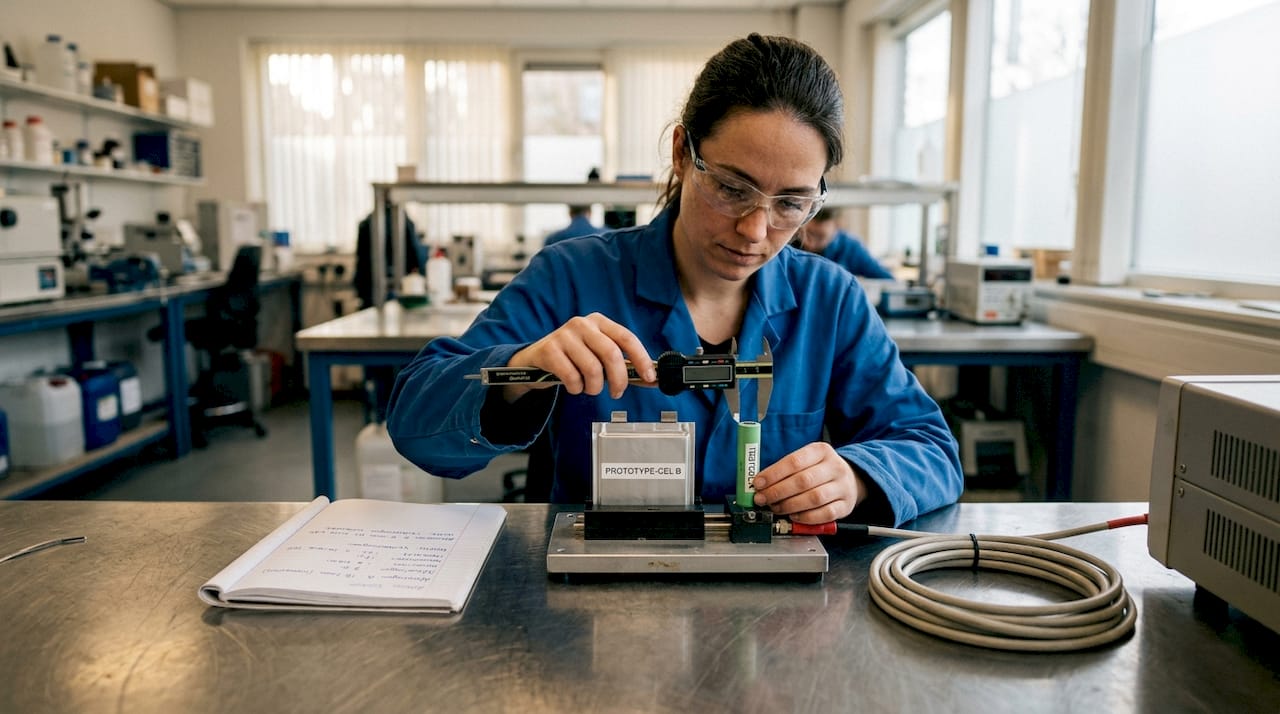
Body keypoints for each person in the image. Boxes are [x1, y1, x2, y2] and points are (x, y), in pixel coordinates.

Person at [388, 34, 961, 526]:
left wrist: (858, 477)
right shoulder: (573, 277)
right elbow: (415, 422)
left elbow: (931, 450)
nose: (756, 230)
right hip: (600, 606)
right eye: (733, 189)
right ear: (684, 152)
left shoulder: (829, 300)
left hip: (775, 614)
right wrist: (518, 373)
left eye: (791, 203)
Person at [353, 206, 427, 309]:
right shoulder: (405, 222)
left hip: (371, 291)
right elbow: (416, 257)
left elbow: (360, 264)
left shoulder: (367, 223)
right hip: (392, 288)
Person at [799, 207, 894, 279]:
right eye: (808, 233)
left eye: (819, 237)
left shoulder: (850, 247)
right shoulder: (790, 242)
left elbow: (886, 279)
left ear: (837, 225)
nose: (810, 243)